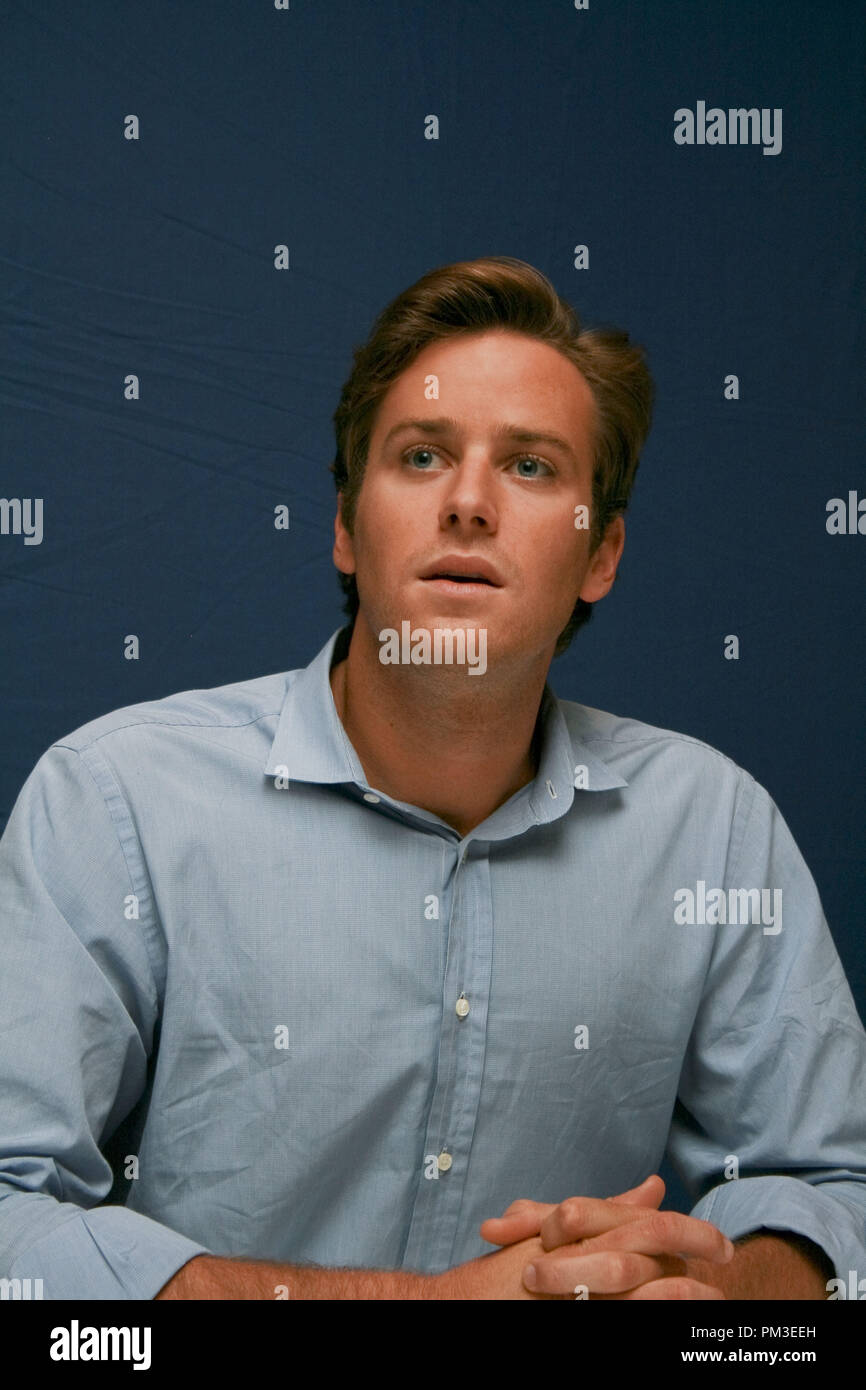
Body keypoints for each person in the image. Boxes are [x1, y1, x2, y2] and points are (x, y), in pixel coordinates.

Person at [1, 258, 864, 1301]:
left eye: (531, 468)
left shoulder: (715, 829)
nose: (466, 502)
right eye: (420, 455)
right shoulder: (112, 802)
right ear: (343, 528)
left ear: (601, 555)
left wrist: (716, 1297)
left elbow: (833, 1193)